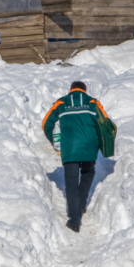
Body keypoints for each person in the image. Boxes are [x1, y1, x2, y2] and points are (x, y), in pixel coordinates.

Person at [42, 81, 112, 233]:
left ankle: (74, 221)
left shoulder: (61, 103)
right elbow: (104, 123)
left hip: (70, 149)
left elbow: (46, 124)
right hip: (89, 146)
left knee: (71, 182)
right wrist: (101, 143)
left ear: (71, 90)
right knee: (88, 173)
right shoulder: (93, 102)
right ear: (84, 91)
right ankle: (80, 205)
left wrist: (55, 142)